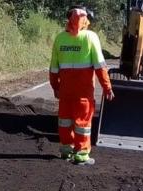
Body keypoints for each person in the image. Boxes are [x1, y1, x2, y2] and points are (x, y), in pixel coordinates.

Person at [49, 6, 114, 166]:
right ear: (87, 19)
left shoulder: (60, 38)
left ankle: (65, 151)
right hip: (83, 93)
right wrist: (107, 87)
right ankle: (81, 155)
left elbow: (53, 68)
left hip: (65, 91)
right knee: (83, 124)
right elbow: (100, 66)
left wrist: (55, 87)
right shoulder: (90, 37)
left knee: (64, 121)